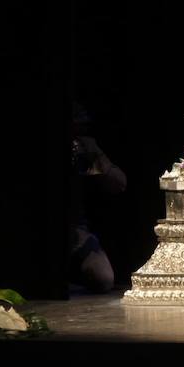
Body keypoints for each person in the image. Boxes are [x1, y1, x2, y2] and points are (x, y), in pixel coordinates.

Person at [70, 104, 127, 293]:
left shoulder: (83, 146)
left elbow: (118, 184)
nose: (83, 123)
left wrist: (91, 152)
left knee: (103, 278)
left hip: (75, 231)